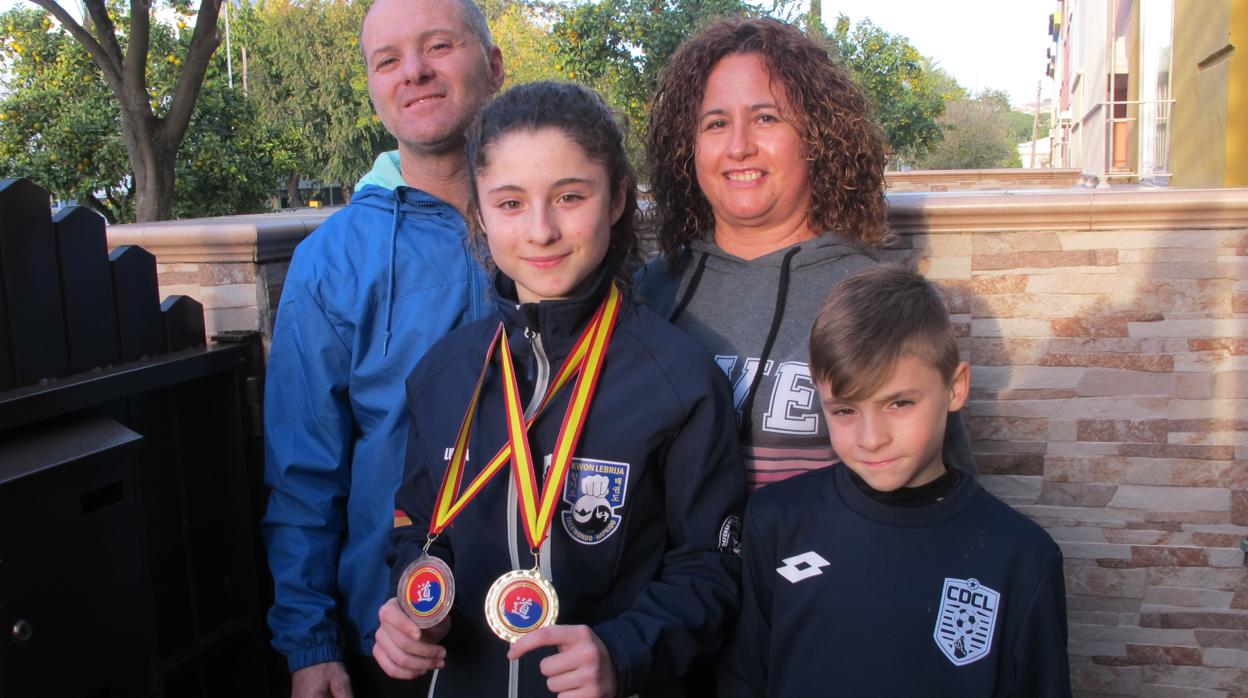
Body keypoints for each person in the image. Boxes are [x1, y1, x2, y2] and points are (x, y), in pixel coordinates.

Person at [372, 81, 745, 697]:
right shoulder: (444, 374)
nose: (541, 230)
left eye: (570, 196)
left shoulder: (679, 380)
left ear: (617, 198)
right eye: (510, 203)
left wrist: (623, 651)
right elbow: (415, 524)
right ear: (479, 212)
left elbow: (710, 566)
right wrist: (412, 607)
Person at [261, 0, 504, 694]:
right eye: (388, 60)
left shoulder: (553, 225)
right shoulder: (330, 261)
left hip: (554, 616)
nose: (414, 72)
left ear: (493, 65)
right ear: (372, 86)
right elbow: (303, 471)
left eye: (438, 46)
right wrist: (309, 643)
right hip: (396, 632)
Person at [640, 17, 975, 491]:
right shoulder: (649, 294)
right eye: (716, 124)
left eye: (766, 118)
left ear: (817, 136)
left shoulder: (879, 298)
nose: (739, 146)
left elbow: (945, 500)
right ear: (687, 147)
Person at [720, 266, 1071, 697]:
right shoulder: (777, 521)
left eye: (899, 403)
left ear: (956, 387)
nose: (872, 438)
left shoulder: (1021, 556)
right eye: (845, 410)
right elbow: (744, 679)